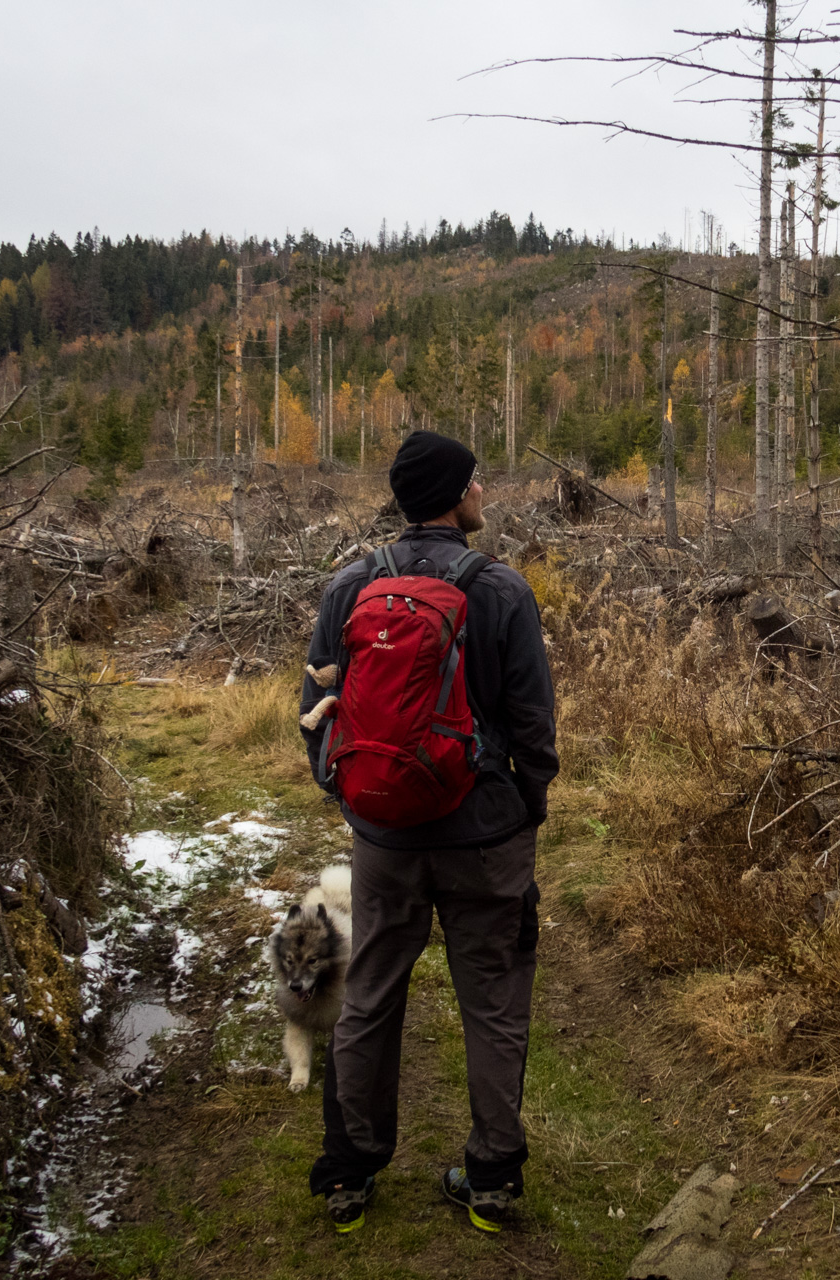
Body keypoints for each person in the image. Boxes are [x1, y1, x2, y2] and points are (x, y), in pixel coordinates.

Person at [299, 431, 557, 1235]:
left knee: (370, 993)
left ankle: (350, 1172)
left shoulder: (351, 585)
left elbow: (313, 715)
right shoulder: (503, 591)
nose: (485, 492)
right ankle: (491, 1181)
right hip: (485, 835)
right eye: (476, 480)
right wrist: (528, 803)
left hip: (384, 837)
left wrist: (353, 798)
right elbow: (532, 723)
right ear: (452, 495)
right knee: (493, 1001)